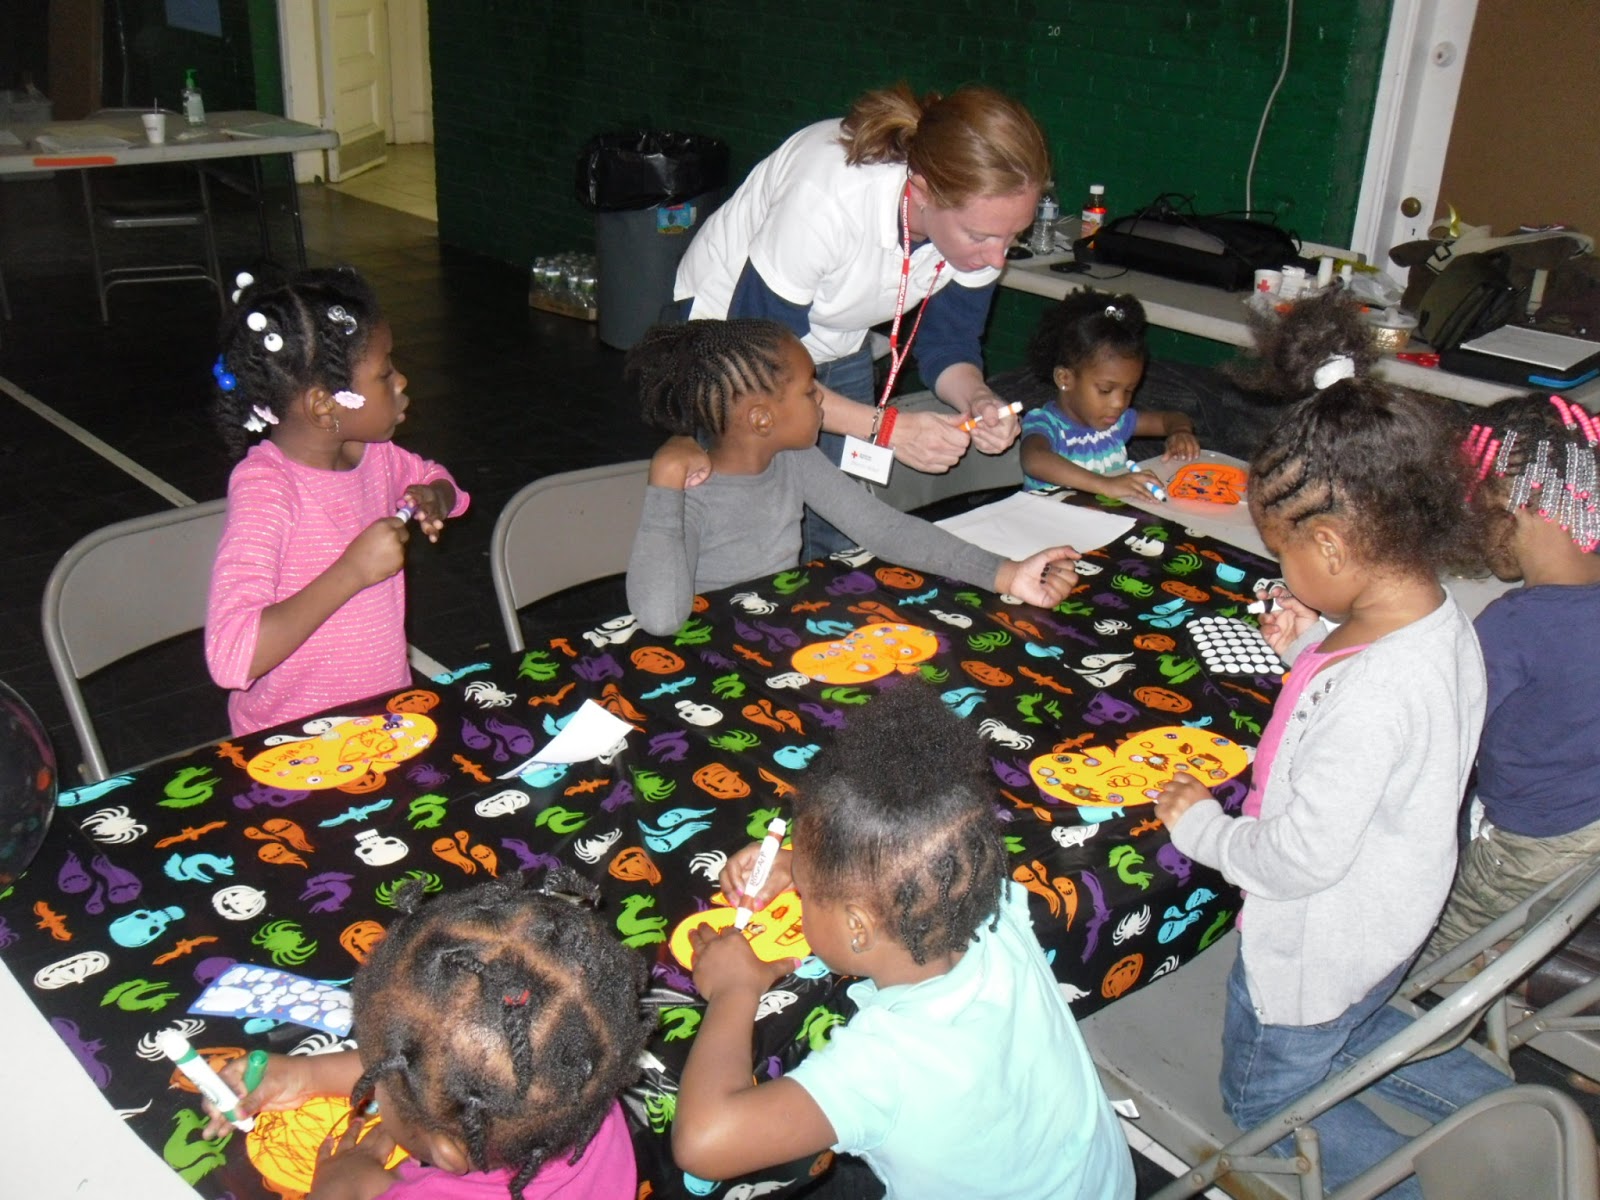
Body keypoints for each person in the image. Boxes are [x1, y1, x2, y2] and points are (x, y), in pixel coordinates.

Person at [1152, 342, 1512, 1196]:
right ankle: (1503, 1112)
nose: (1282, 570)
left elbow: (1296, 859)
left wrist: (1202, 828)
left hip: (1316, 947)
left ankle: (1409, 1187)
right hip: (1388, 920)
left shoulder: (1375, 692)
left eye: (1284, 553)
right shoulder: (1432, 621)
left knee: (1264, 1095)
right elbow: (1372, 724)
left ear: (1332, 544)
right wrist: (1308, 645)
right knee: (1353, 1029)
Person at [671, 681, 1135, 1199]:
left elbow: (703, 1144)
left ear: (858, 928)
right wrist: (821, 866)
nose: (797, 890)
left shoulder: (888, 1064)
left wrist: (735, 989)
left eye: (805, 891)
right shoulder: (992, 906)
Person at [673, 83, 1046, 558]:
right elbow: (754, 370)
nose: (997, 258)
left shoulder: (985, 226)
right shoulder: (828, 198)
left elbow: (949, 344)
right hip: (730, 331)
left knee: (843, 522)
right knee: (751, 526)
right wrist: (886, 429)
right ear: (922, 190)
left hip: (837, 330)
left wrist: (978, 398)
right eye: (980, 237)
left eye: (1014, 236)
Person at [202, 870, 652, 1200]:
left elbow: (424, 1070)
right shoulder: (574, 1075)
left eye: (379, 1079)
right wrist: (303, 1075)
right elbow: (429, 1066)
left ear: (446, 1153)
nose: (373, 1080)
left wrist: (341, 1184)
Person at [623, 319, 1080, 636]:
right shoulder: (692, 493)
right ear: (762, 419)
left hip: (777, 634)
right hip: (710, 655)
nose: (822, 402)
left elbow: (884, 529)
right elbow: (661, 618)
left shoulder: (793, 460)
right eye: (810, 392)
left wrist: (1006, 574)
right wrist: (664, 481)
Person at [205, 268, 468, 736]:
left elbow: (437, 478)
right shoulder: (267, 490)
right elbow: (232, 656)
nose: (401, 380)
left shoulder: (375, 456)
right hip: (293, 742)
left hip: (383, 720)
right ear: (325, 406)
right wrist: (353, 571)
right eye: (384, 373)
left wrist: (435, 497)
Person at [1421, 392, 1600, 962]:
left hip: (1530, 844)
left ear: (1509, 509)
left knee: (1426, 952)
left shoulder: (1515, 627)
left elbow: (1433, 736)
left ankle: (1439, 996)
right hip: (1587, 819)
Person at [1017, 290, 1200, 497]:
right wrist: (1105, 484)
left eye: (1129, 390)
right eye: (1105, 390)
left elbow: (1171, 419)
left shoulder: (1116, 423)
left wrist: (1180, 432)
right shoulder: (1045, 424)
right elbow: (1034, 460)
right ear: (1065, 379)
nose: (1119, 403)